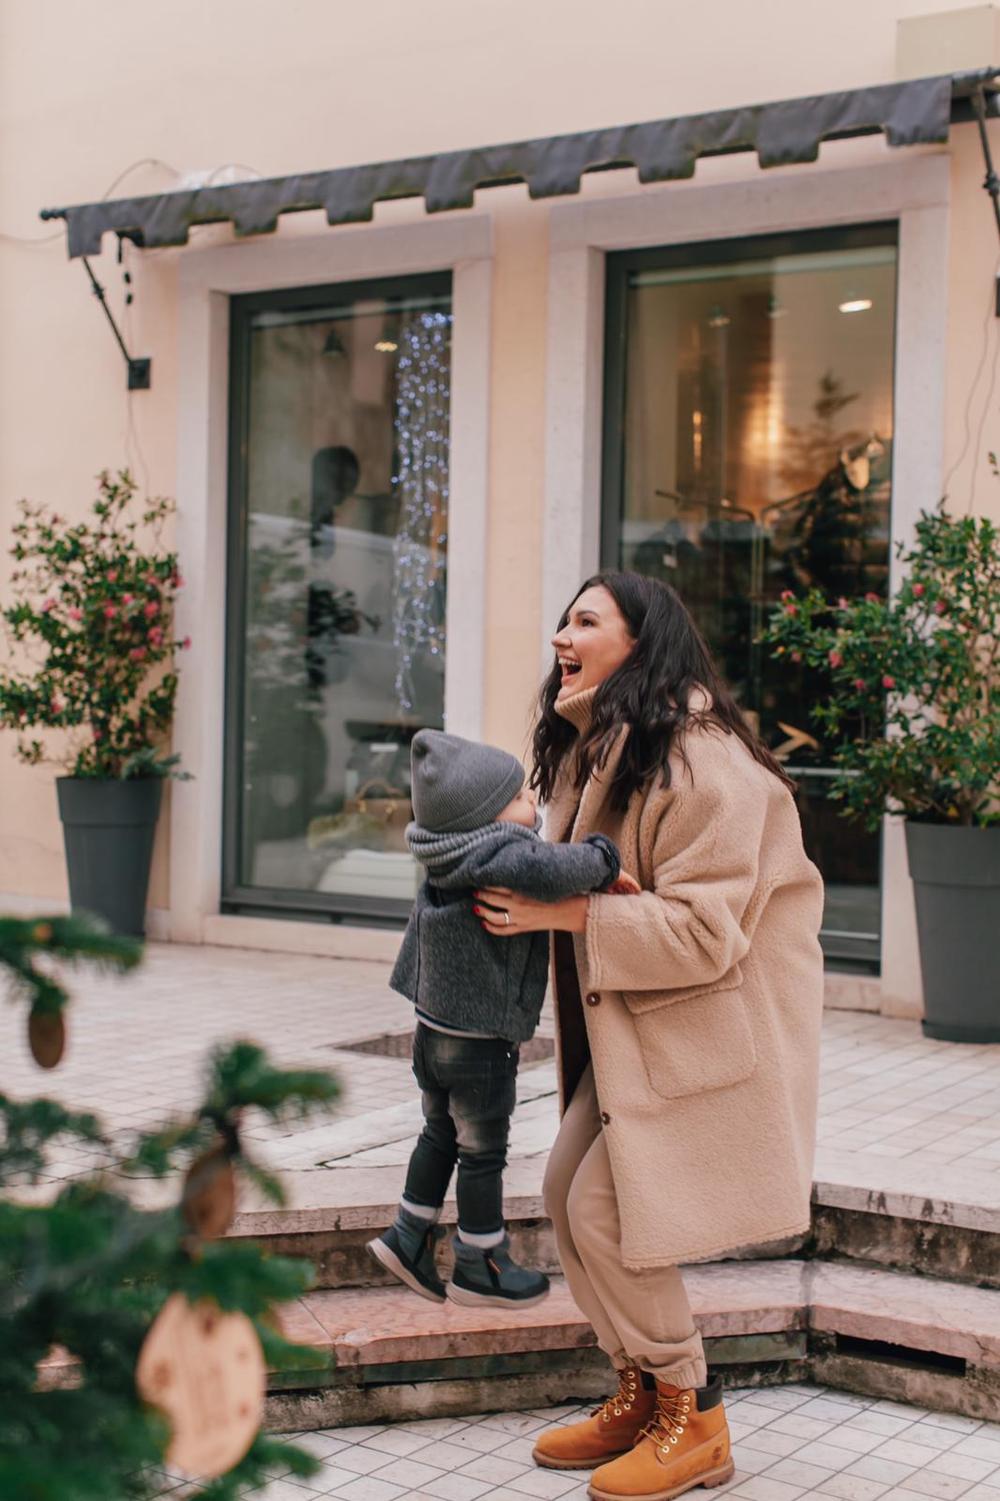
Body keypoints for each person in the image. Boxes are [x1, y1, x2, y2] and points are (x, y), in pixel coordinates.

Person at [474, 572, 824, 1501]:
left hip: (710, 1033)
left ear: (642, 643)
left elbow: (708, 933)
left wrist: (570, 909)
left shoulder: (704, 763)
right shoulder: (612, 746)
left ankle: (695, 1414)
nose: (561, 633)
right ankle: (640, 1387)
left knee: (601, 1211)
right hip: (642, 1026)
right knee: (562, 1191)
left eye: (587, 620)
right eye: (563, 616)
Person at [367, 728, 633, 1310]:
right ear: (484, 816)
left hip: (433, 1034)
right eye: (518, 799)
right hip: (480, 1044)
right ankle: (479, 1262)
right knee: (483, 1152)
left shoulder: (445, 851)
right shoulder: (500, 853)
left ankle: (408, 1234)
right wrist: (606, 855)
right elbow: (558, 869)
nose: (532, 805)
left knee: (440, 1132)